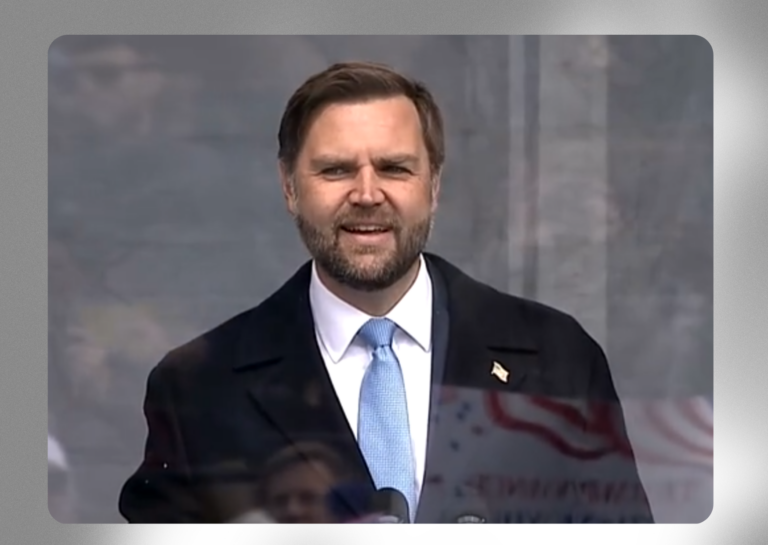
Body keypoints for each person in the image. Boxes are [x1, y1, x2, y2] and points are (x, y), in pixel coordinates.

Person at [118, 61, 652, 523]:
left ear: (433, 185)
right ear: (289, 187)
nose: (368, 194)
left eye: (395, 168)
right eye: (336, 170)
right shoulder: (199, 390)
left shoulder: (557, 358)